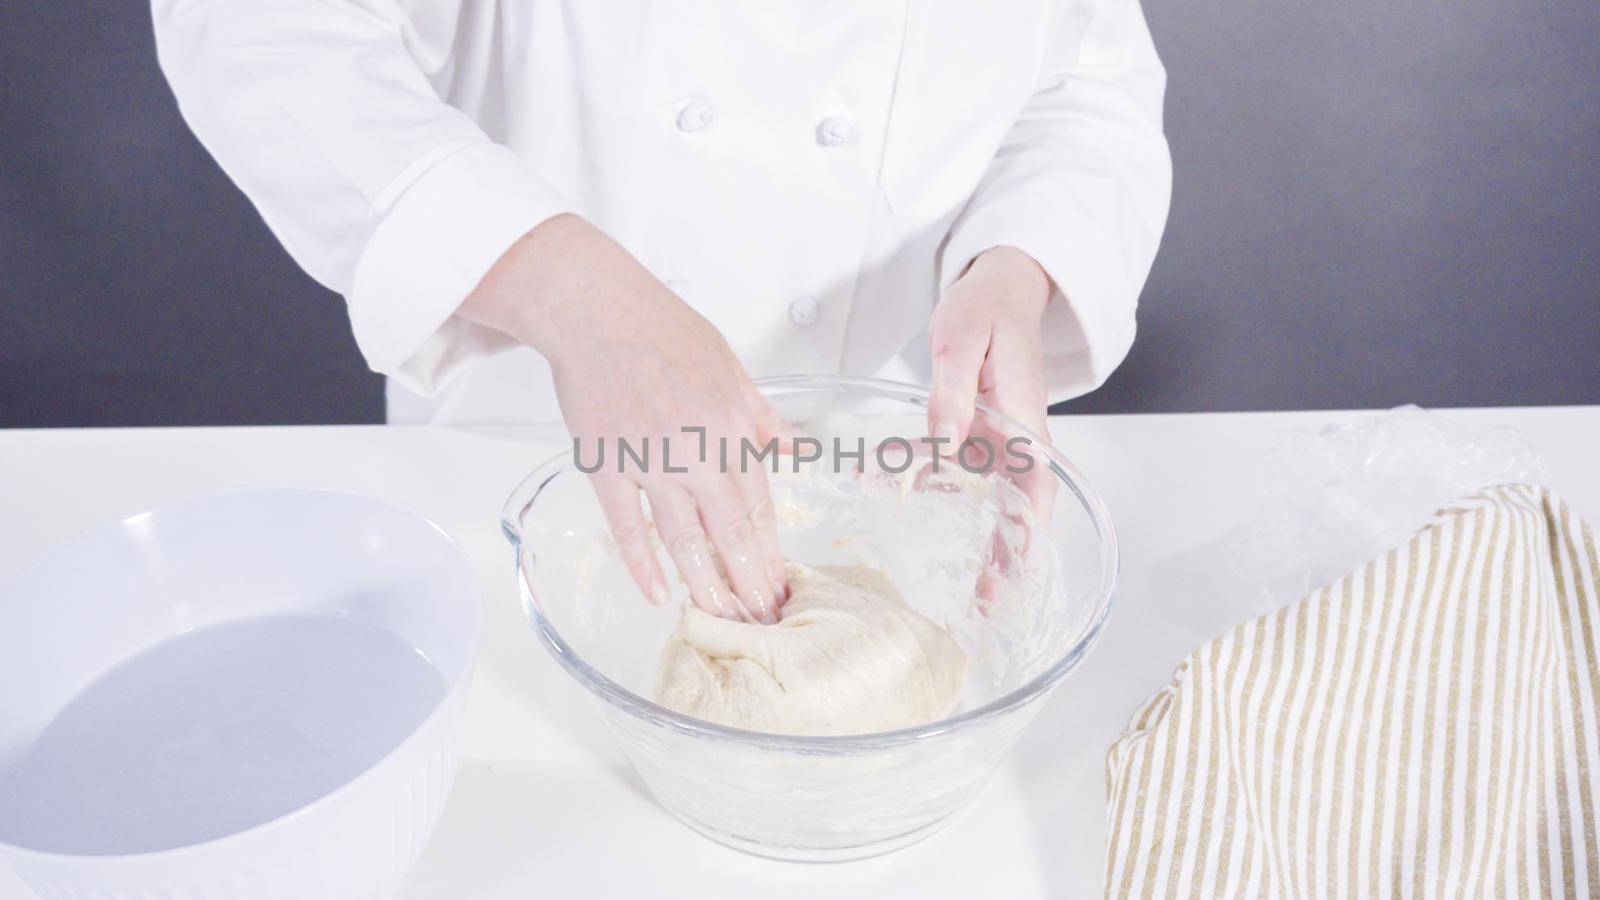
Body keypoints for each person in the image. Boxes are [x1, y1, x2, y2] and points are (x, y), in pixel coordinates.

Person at [152, 1, 1172, 624]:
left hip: (902, 474)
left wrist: (1018, 265)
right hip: (527, 470)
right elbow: (266, 30)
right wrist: (568, 288)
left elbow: (1085, 80)